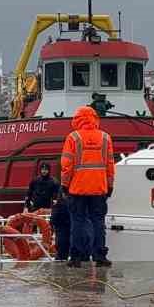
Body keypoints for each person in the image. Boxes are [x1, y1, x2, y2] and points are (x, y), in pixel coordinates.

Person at [59, 105, 114, 268]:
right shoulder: (105, 137)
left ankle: (76, 257)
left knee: (78, 222)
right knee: (98, 222)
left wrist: (64, 184)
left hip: (77, 188)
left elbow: (66, 165)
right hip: (99, 188)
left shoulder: (73, 137)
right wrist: (110, 185)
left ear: (77, 119)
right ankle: (100, 256)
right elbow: (110, 164)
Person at [50, 186, 71, 262]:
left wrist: (52, 223)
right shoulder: (74, 203)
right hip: (69, 225)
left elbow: (54, 217)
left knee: (61, 242)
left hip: (61, 226)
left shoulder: (58, 204)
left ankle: (61, 257)